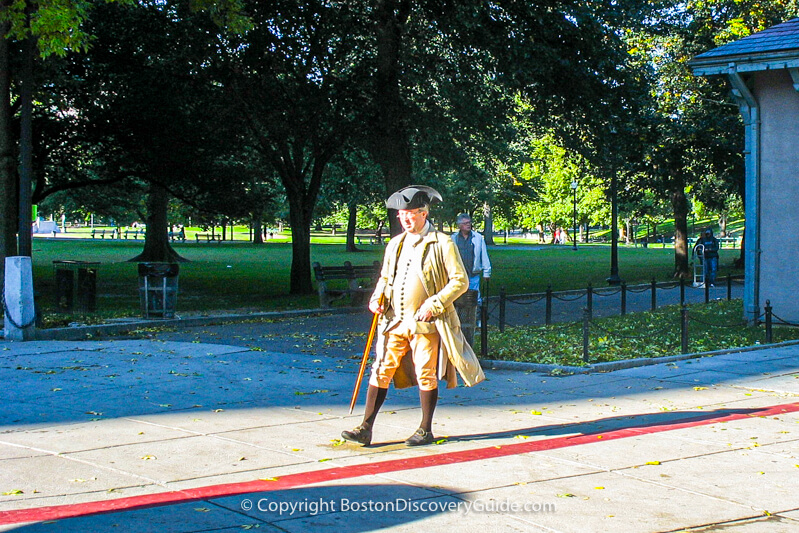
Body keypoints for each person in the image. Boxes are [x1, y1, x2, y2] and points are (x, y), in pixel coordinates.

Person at [342, 185, 485, 447]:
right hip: (393, 320)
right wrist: (377, 296)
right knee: (381, 369)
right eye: (401, 215)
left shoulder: (442, 242)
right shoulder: (395, 243)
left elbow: (460, 281)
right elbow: (386, 277)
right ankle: (365, 428)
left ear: (423, 213)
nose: (405, 219)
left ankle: (425, 429)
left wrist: (436, 302)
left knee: (426, 373)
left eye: (410, 214)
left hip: (426, 324)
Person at [451, 213, 492, 303]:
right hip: (458, 275)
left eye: (469, 222)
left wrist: (486, 272)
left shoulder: (477, 238)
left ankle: (476, 316)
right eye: (465, 223)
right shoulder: (454, 239)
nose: (468, 225)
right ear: (459, 226)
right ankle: (461, 316)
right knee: (458, 299)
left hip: (473, 275)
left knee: (475, 299)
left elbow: (484, 256)